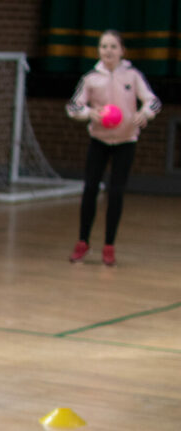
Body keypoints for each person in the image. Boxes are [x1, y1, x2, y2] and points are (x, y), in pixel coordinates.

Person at [66, 30, 160, 267]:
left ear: (122, 51)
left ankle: (109, 245)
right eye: (103, 46)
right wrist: (90, 113)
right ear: (98, 50)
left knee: (116, 192)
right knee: (90, 189)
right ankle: (83, 241)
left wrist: (144, 114)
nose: (108, 51)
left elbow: (153, 101)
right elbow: (73, 106)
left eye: (113, 47)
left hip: (126, 141)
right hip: (99, 141)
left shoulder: (133, 76)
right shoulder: (90, 78)